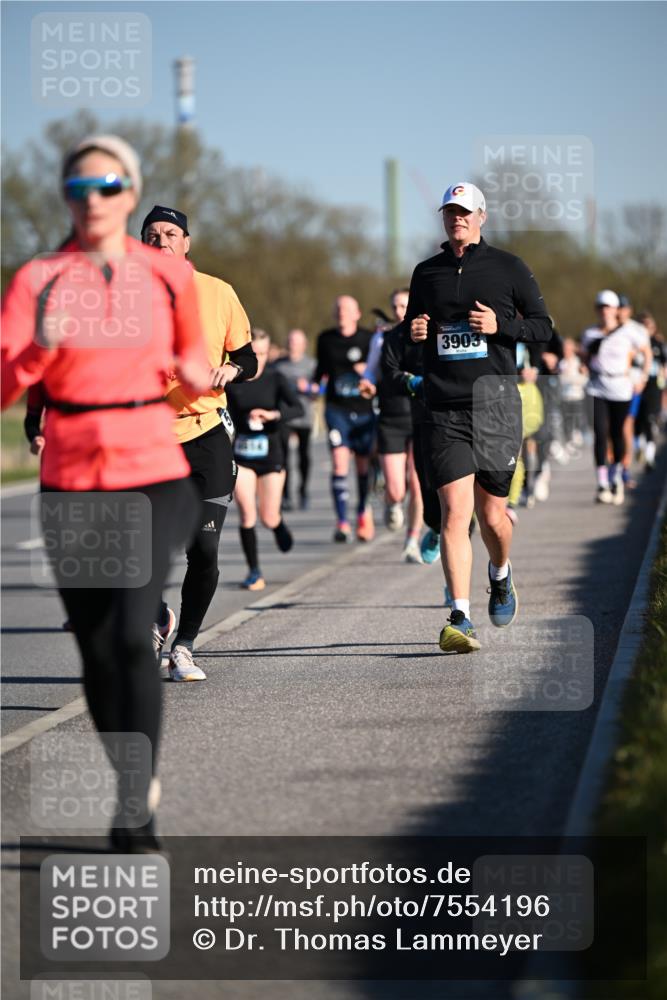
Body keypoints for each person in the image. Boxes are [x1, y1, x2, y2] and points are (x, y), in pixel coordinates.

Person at [1, 135, 211, 850]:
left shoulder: (165, 276)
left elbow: (192, 365)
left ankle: (135, 805)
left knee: (128, 635)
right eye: (81, 187)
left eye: (110, 185)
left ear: (129, 192)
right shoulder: (39, 279)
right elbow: (6, 383)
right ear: (67, 196)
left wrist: (203, 372)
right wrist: (38, 349)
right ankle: (129, 776)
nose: (95, 199)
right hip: (70, 480)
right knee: (95, 652)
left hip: (152, 471)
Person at [408, 181, 553, 652]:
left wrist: (501, 326)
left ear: (482, 216)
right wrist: (415, 331)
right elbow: (411, 334)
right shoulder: (425, 273)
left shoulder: (508, 267)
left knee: (493, 516)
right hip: (444, 406)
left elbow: (543, 328)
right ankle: (459, 616)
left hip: (495, 404)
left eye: (465, 212)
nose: (458, 219)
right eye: (450, 212)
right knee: (455, 513)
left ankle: (501, 573)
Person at [141, 205, 256, 682]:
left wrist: (232, 369)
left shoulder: (217, 292)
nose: (161, 241)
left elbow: (248, 357)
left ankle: (184, 646)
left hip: (207, 432)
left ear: (186, 242)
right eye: (151, 234)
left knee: (203, 550)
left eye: (170, 233)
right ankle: (154, 619)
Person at [226, 328, 303, 590]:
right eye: (253, 353)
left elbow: (297, 408)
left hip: (271, 455)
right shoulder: (233, 380)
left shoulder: (275, 377)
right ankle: (254, 571)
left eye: (262, 353)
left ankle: (278, 525)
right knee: (247, 513)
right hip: (243, 455)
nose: (257, 359)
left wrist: (273, 415)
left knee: (268, 517)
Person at [359, 289, 424, 562]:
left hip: (420, 415)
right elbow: (371, 370)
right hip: (391, 417)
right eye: (396, 306)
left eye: (405, 306)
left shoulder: (426, 335)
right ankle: (392, 502)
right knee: (397, 488)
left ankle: (412, 540)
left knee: (418, 482)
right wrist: (368, 383)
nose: (399, 311)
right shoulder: (382, 338)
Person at [312, 295, 376, 543]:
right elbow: (320, 374)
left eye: (347, 309)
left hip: (363, 411)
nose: (342, 313)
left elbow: (378, 373)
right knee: (339, 462)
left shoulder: (368, 339)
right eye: (338, 308)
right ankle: (341, 522)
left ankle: (362, 512)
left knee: (362, 466)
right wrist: (312, 388)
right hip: (336, 411)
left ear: (357, 313)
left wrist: (367, 373)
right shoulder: (325, 339)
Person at [581, 290, 651, 505]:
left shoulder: (629, 332)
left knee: (617, 433)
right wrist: (585, 368)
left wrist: (643, 378)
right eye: (601, 307)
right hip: (597, 387)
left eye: (608, 307)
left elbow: (646, 352)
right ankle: (602, 482)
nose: (604, 311)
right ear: (597, 309)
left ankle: (616, 476)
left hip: (621, 386)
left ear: (615, 310)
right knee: (600, 434)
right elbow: (585, 356)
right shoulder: (590, 333)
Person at [273, 328, 317, 510]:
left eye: (297, 342)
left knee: (304, 456)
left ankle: (303, 490)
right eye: (291, 342)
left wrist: (308, 388)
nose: (293, 345)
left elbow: (320, 389)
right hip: (284, 416)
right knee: (283, 457)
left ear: (304, 345)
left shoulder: (312, 364)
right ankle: (286, 495)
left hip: (305, 415)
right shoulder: (277, 365)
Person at [617, 294, 651, 488]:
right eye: (617, 308)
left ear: (629, 310)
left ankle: (625, 468)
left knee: (626, 425)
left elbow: (646, 355)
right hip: (611, 385)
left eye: (623, 308)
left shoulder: (637, 330)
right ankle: (613, 466)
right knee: (610, 429)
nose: (620, 312)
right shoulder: (607, 329)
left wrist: (643, 378)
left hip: (631, 384)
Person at [635, 311, 666, 471]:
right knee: (637, 421)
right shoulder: (634, 343)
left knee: (650, 419)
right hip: (637, 385)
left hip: (653, 386)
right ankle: (639, 446)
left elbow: (664, 364)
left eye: (649, 326)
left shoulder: (657, 344)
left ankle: (649, 456)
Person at [558, 337, 589, 452]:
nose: (566, 350)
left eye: (568, 348)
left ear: (573, 349)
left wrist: (570, 379)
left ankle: (579, 436)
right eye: (564, 348)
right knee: (566, 421)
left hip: (577, 397)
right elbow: (560, 381)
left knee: (577, 420)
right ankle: (568, 442)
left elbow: (585, 380)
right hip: (564, 397)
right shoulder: (561, 363)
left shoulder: (578, 363)